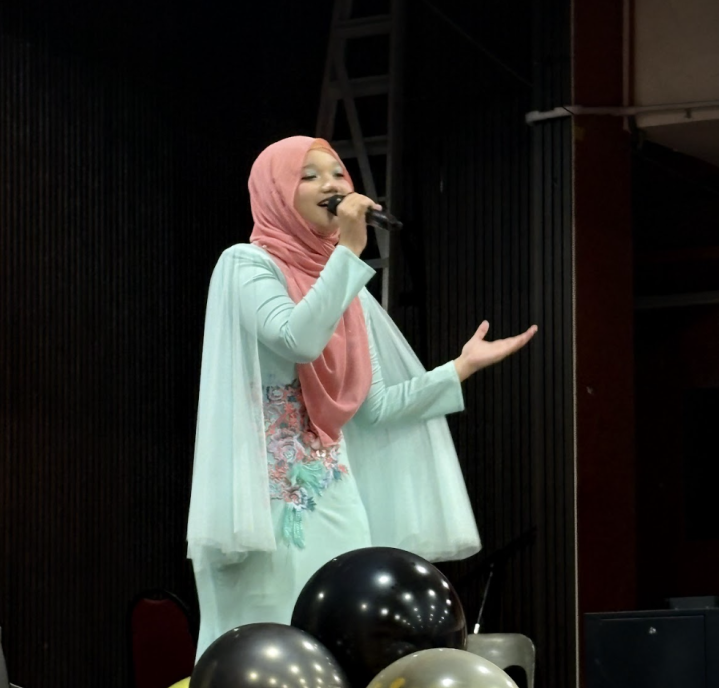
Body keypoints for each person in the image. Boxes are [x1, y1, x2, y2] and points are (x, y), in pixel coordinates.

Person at [186, 135, 537, 657]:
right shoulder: (246, 264)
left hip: (336, 499)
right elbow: (296, 338)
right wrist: (348, 254)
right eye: (309, 176)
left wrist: (460, 368)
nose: (331, 185)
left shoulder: (343, 287)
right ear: (276, 192)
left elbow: (374, 407)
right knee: (269, 648)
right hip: (266, 505)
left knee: (340, 643)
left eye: (338, 174)